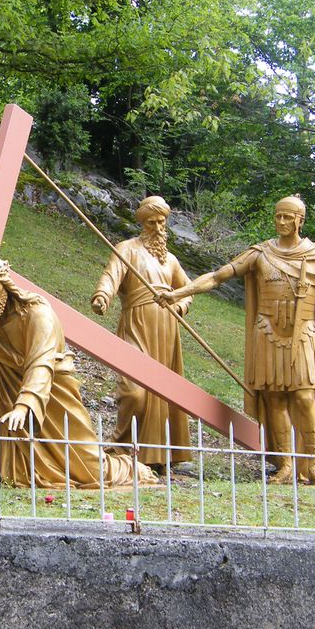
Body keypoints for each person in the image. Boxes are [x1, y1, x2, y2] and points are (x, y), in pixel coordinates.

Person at [158, 196, 315, 484]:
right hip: (268, 333)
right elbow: (217, 276)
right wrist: (178, 293)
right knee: (274, 400)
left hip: (303, 334)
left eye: (288, 217)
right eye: (278, 216)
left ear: (300, 220)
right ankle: (285, 464)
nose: (281, 222)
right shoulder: (260, 253)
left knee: (303, 397)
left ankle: (313, 465)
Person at [0, 257, 157, 489]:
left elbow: (41, 363)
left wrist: (24, 405)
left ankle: (129, 468)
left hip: (52, 395)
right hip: (8, 405)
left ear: (7, 285)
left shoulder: (37, 313)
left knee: (89, 469)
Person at [91, 196, 193, 470]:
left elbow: (188, 290)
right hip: (136, 325)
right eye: (152, 223)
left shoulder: (170, 260)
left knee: (164, 390)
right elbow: (111, 275)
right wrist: (103, 295)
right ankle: (120, 447)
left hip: (166, 328)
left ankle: (159, 456)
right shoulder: (128, 249)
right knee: (134, 391)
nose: (158, 228)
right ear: (142, 223)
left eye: (162, 222)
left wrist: (179, 306)